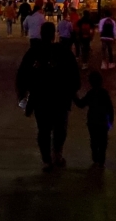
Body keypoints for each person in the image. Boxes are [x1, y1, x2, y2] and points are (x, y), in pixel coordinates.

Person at [16, 22, 80, 171]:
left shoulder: (34, 52)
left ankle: (46, 159)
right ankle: (57, 154)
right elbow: (74, 75)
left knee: (43, 129)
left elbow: (22, 74)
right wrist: (72, 91)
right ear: (54, 34)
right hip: (60, 98)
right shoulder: (64, 51)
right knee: (60, 128)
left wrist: (23, 94)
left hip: (40, 97)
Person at [74, 71, 114, 166]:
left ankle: (95, 158)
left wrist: (74, 96)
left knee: (94, 140)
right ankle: (101, 160)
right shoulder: (104, 93)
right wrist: (110, 121)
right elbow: (110, 108)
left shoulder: (91, 93)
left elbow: (81, 104)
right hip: (103, 122)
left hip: (92, 121)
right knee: (103, 141)